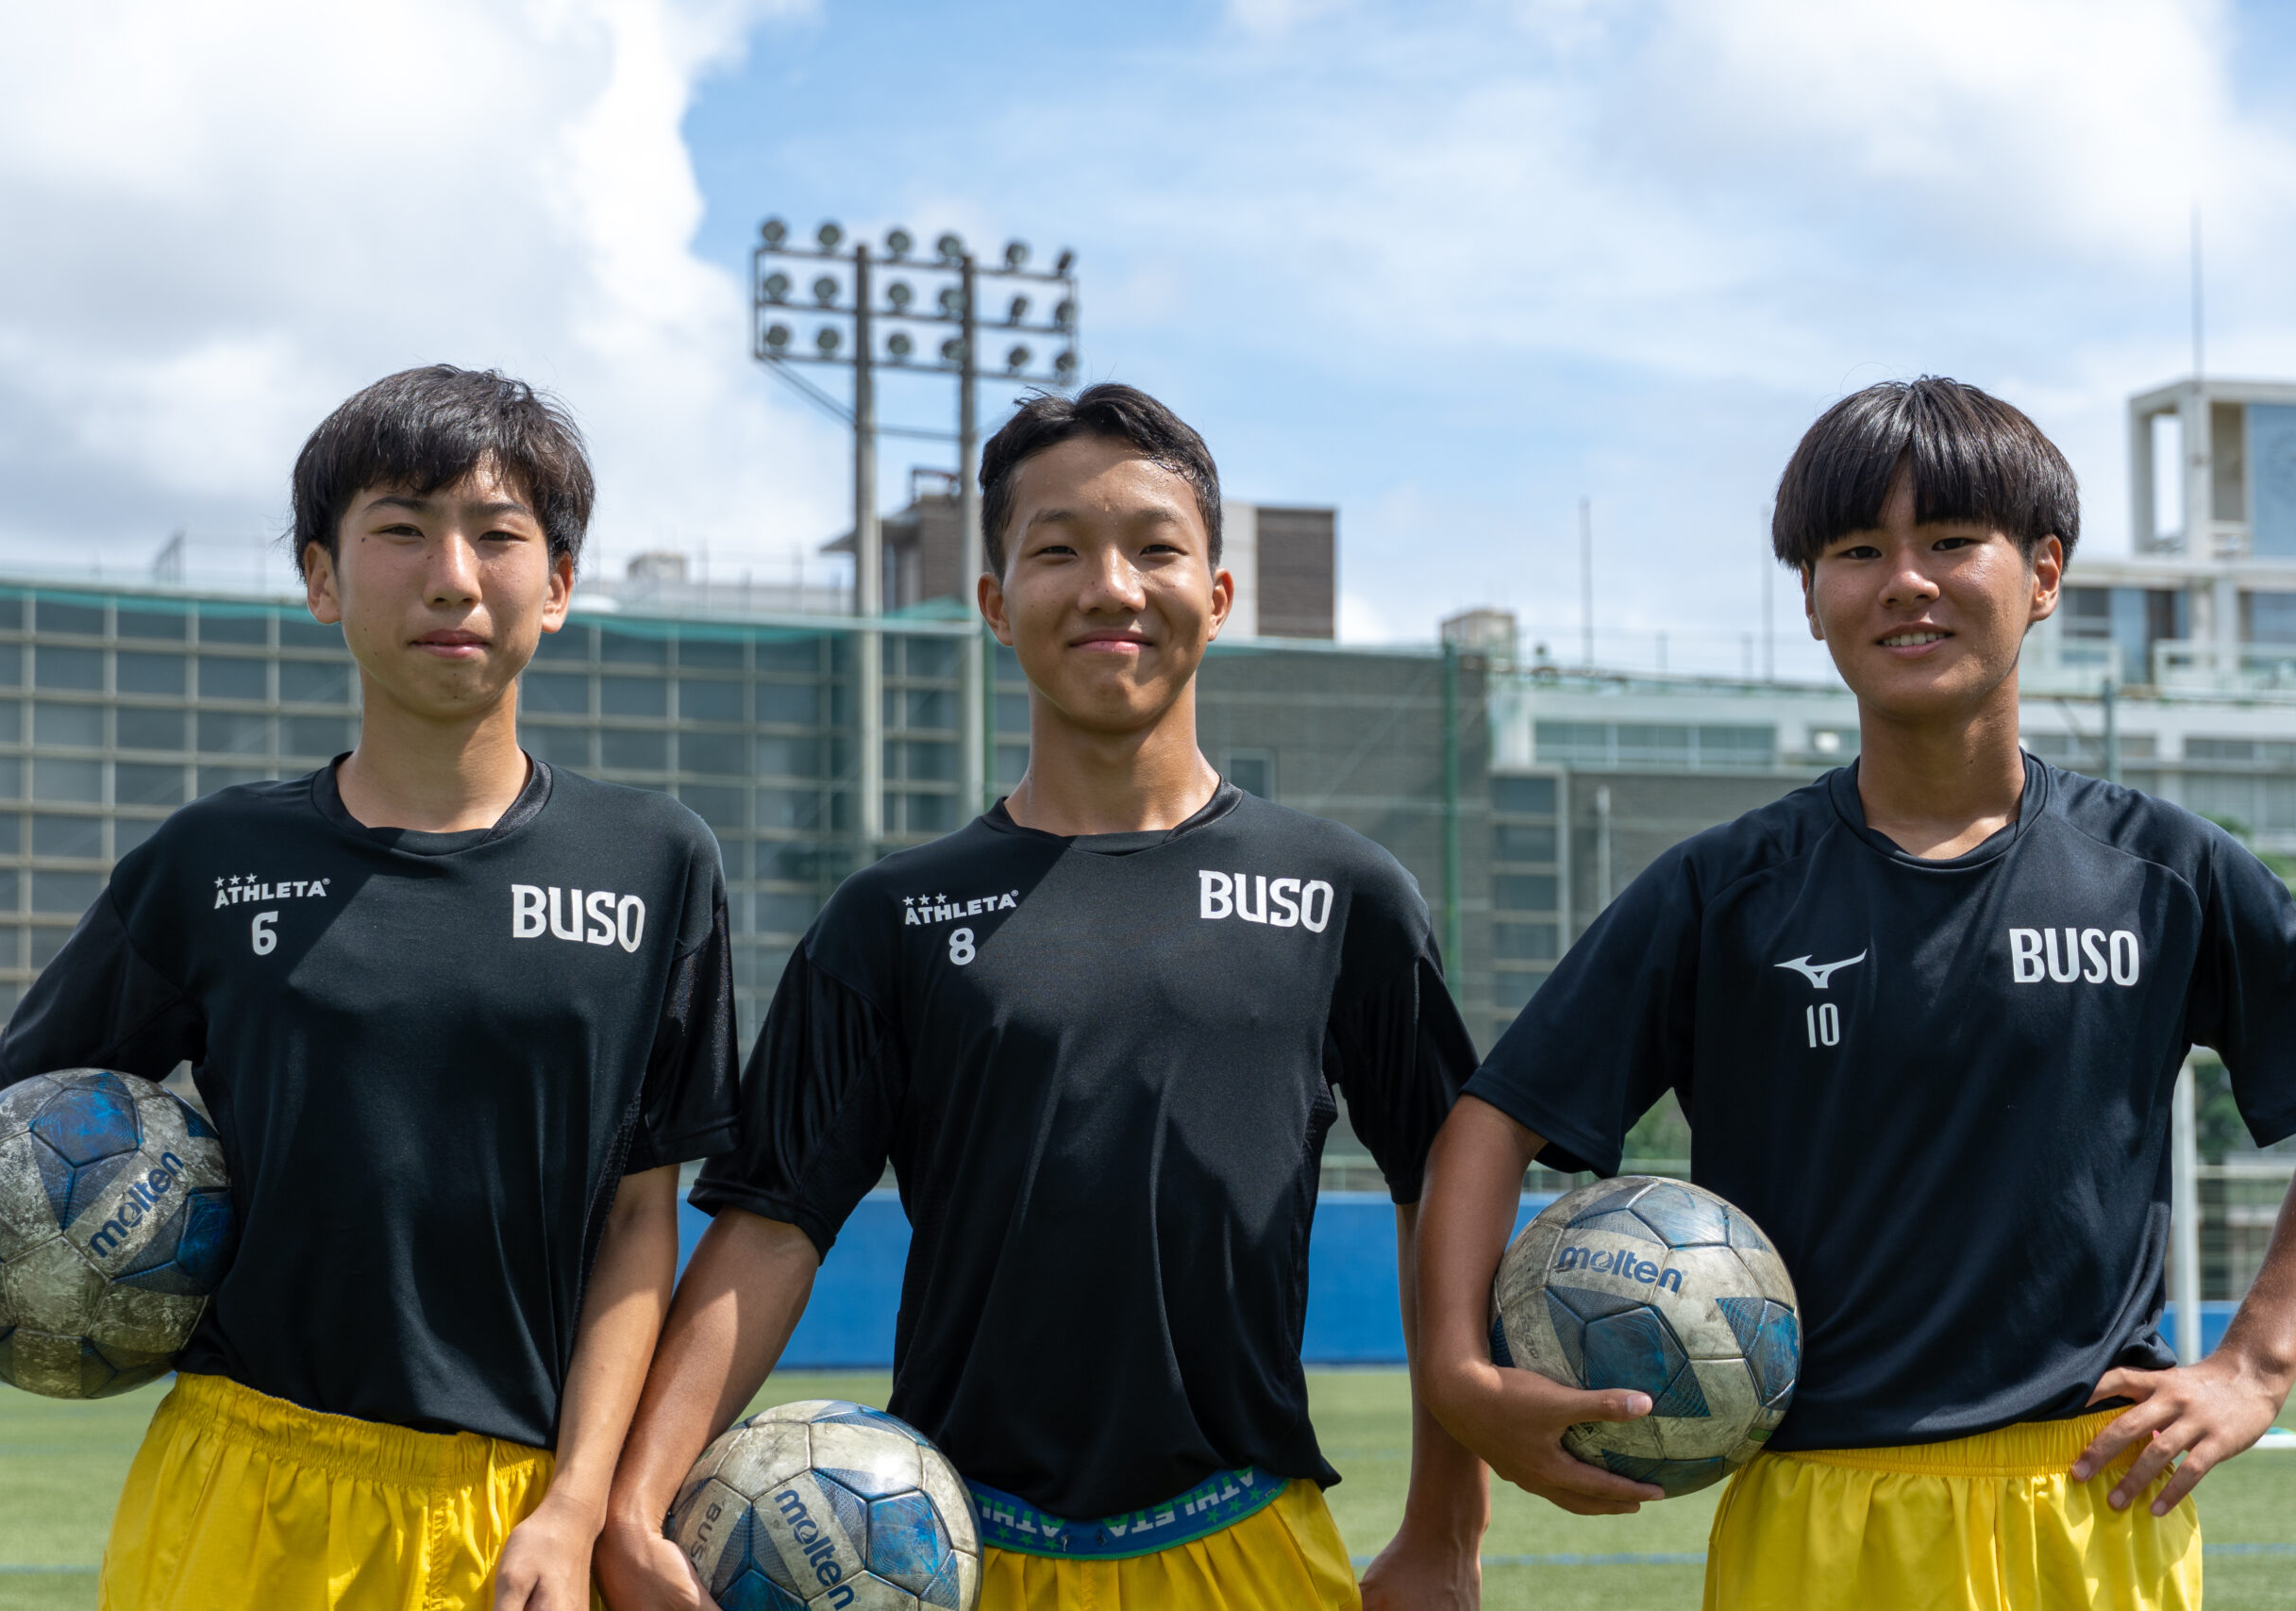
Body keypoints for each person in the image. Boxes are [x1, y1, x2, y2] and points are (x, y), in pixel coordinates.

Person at [593, 382, 1489, 1610]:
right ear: (995, 605)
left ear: (1219, 596)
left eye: (1156, 548)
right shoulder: (890, 919)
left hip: (1248, 1550)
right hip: (959, 1559)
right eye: (1059, 550)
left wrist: (1445, 1530)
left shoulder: (1346, 896)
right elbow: (771, 1227)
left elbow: (1445, 1193)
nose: (1112, 587)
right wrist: (632, 1507)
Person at [1415, 376, 2296, 1611]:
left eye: (1951, 541)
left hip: (2088, 1506)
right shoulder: (1726, 890)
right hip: (1812, 1517)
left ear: (2044, 574)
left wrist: (2258, 1360)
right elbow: (1489, 1120)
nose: (1906, 582)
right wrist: (1459, 1374)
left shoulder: (2162, 873)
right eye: (1858, 552)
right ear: (1812, 597)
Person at [0, 364, 741, 1611]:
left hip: (513, 1524)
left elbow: (637, 1219)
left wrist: (580, 1504)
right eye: (401, 530)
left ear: (558, 585)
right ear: (322, 579)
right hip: (240, 1486)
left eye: (499, 536)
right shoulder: (214, 859)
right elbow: (7, 1088)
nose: (453, 576)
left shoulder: (654, 863)